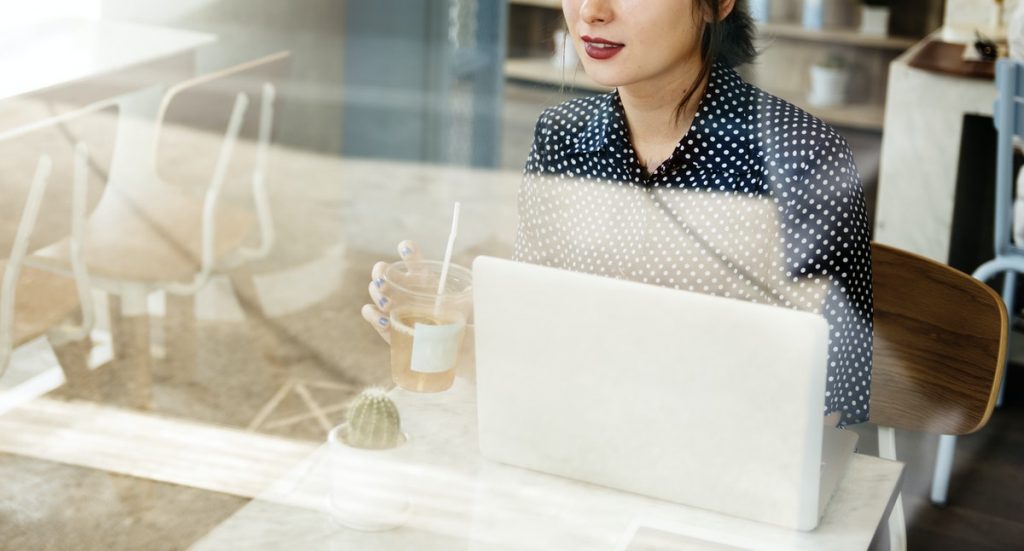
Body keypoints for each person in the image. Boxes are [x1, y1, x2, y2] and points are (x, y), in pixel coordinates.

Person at [362, 0, 873, 427]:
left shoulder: (802, 157)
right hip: (581, 443)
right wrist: (472, 338)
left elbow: (835, 398)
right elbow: (543, 338)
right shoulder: (561, 137)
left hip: (722, 471)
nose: (591, 11)